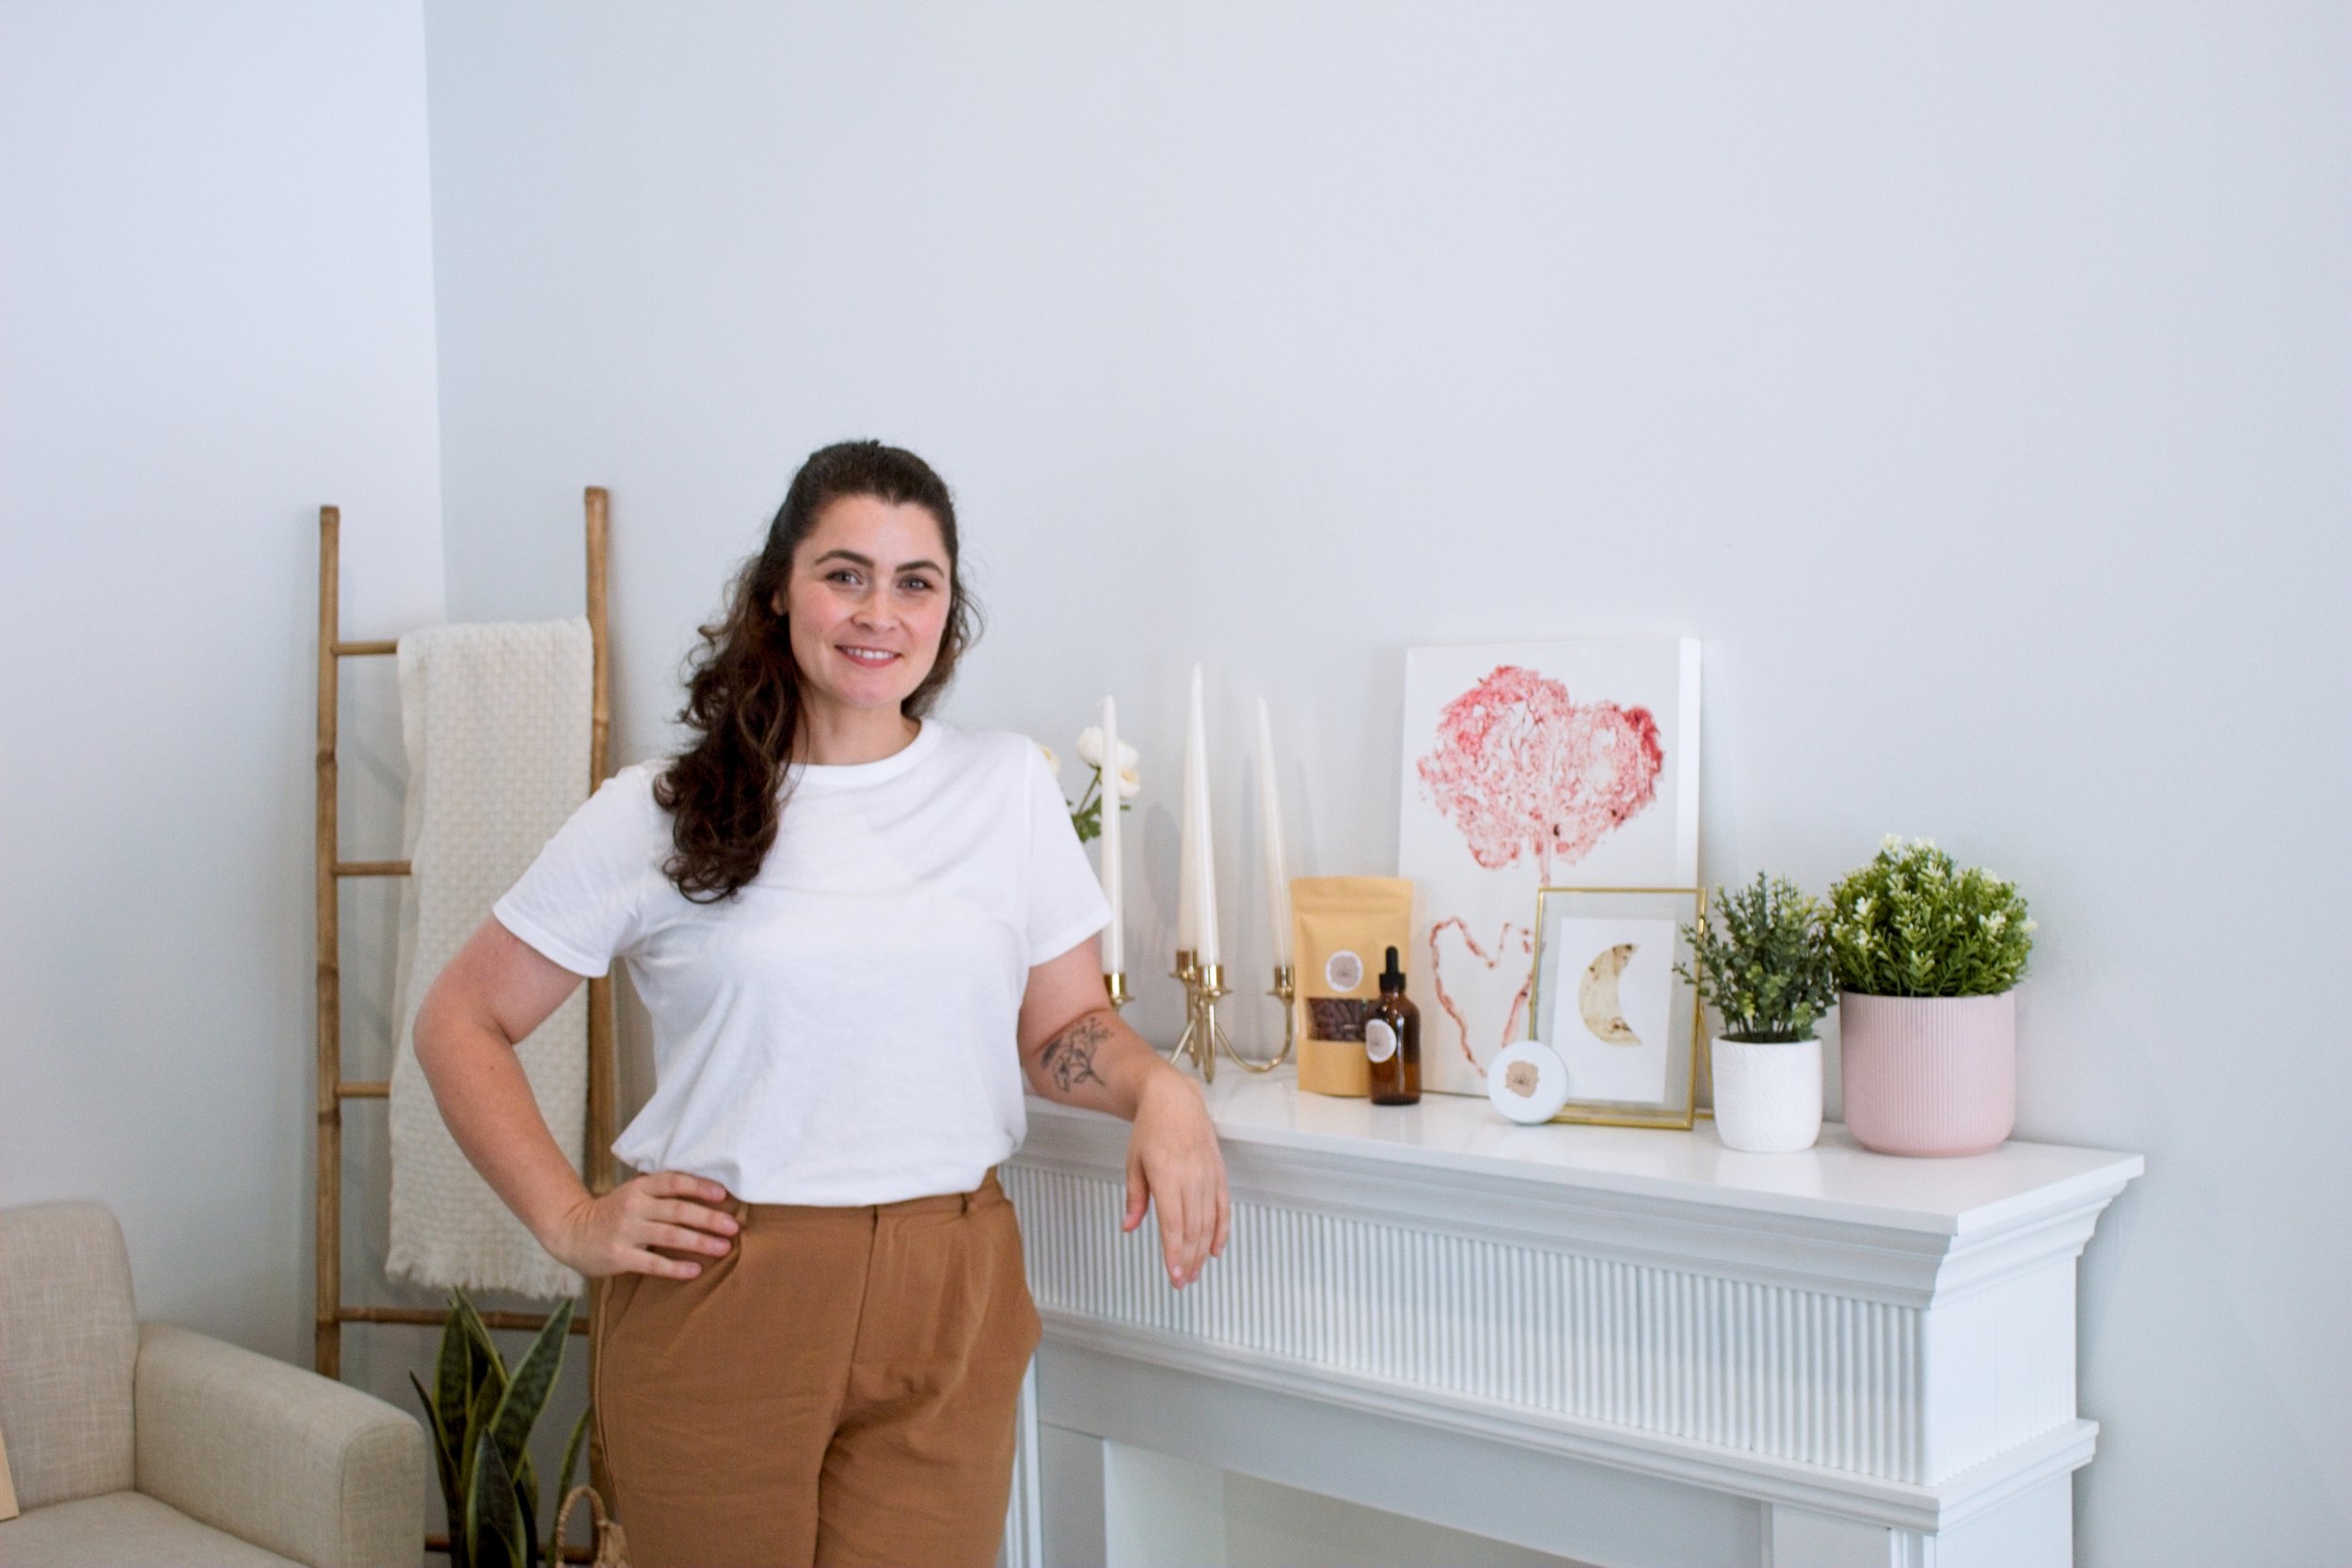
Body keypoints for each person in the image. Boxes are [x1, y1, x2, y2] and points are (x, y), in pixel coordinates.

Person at [412, 439, 1230, 1568]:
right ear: (778, 589)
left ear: (948, 609)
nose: (878, 611)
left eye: (915, 580)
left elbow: (1059, 1030)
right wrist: (569, 1216)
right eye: (844, 572)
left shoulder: (1006, 789)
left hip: (952, 1281)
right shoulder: (659, 810)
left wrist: (1160, 1086)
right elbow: (461, 1018)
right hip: (727, 1289)